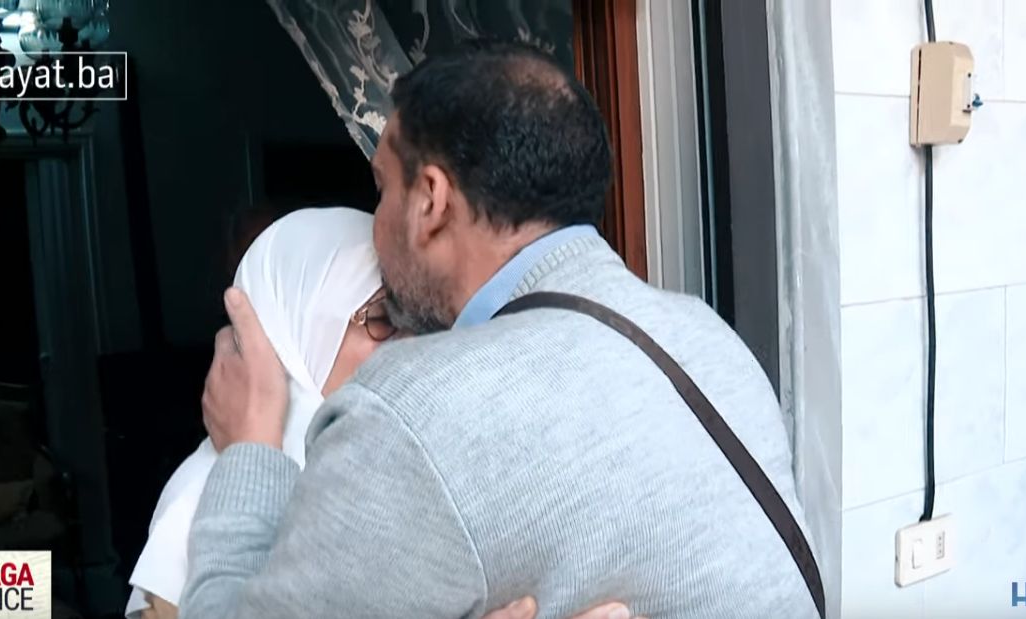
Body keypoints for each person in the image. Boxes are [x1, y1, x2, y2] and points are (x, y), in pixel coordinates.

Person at [186, 40, 819, 618]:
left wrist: (248, 449)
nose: (373, 225)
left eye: (380, 189)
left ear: (431, 201)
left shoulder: (412, 415)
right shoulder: (706, 336)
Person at [126, 207, 635, 619]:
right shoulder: (195, 508)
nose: (413, 346)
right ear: (292, 335)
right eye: (384, 319)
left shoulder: (419, 464)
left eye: (421, 320)